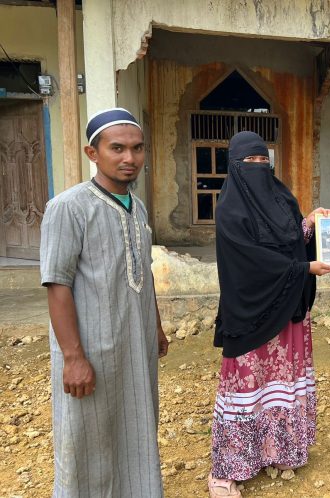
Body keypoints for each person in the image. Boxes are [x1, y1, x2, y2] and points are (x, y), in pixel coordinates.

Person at [40, 108, 169, 497]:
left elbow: (142, 273)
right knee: (87, 434)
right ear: (92, 153)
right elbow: (56, 284)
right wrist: (73, 357)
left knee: (136, 423)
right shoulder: (69, 207)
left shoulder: (138, 206)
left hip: (134, 342)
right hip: (91, 348)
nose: (129, 158)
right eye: (117, 148)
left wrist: (156, 326)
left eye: (137, 148)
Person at [208, 131, 330, 498]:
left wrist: (311, 223)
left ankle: (277, 449)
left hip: (287, 311)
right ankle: (227, 468)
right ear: (234, 167)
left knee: (281, 385)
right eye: (249, 163)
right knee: (245, 387)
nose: (258, 168)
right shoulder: (230, 210)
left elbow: (291, 239)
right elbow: (250, 261)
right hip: (249, 313)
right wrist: (303, 269)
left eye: (263, 161)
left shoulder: (282, 198)